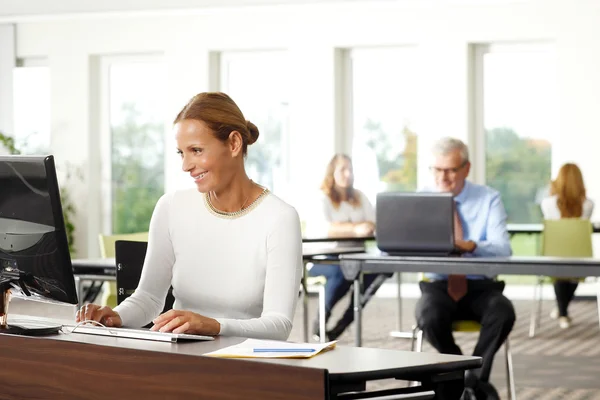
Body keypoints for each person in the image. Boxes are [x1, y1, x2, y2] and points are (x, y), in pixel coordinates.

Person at [76, 92, 303, 341]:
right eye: (181, 153)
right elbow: (149, 299)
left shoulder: (279, 218)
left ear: (234, 144)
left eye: (196, 150)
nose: (186, 165)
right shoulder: (171, 207)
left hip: (244, 365)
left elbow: (279, 325)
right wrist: (114, 316)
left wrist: (214, 326)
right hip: (181, 358)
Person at [415, 137, 515, 399]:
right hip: (438, 285)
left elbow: (502, 248)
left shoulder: (489, 198)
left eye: (450, 170)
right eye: (437, 170)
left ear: (466, 168)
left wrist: (470, 245)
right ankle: (465, 373)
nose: (443, 177)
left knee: (503, 312)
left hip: (480, 286)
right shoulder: (419, 199)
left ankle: (470, 378)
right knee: (428, 317)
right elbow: (391, 246)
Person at [307, 154, 385, 341]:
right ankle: (321, 321)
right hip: (324, 257)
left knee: (381, 271)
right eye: (343, 169)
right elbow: (326, 229)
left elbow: (373, 223)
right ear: (332, 173)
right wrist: (356, 228)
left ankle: (343, 324)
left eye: (350, 169)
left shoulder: (359, 196)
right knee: (343, 271)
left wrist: (351, 227)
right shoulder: (322, 198)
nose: (348, 174)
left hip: (357, 255)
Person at [541, 162, 594, 329]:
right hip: (579, 257)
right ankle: (563, 311)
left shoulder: (547, 203)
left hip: (555, 255)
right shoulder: (589, 204)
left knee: (560, 270)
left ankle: (562, 311)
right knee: (572, 273)